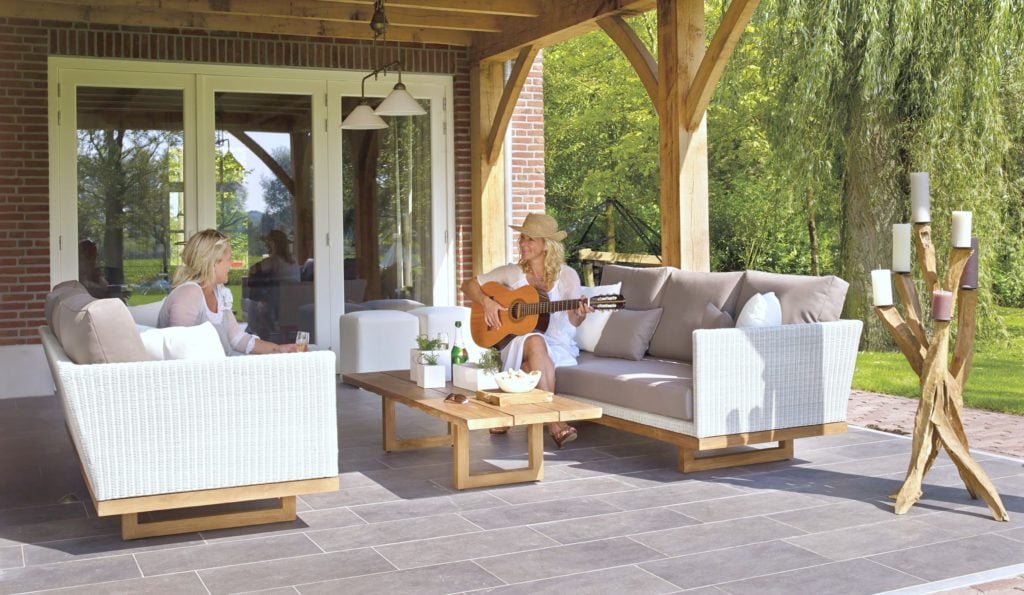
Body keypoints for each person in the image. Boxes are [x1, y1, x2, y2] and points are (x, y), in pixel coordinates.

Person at [461, 212, 593, 447]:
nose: (523, 244)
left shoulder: (568, 275)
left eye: (530, 239)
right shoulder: (512, 272)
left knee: (527, 365)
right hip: (517, 341)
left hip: (558, 345)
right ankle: (555, 423)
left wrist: (580, 314)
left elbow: (574, 321)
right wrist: (487, 302)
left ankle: (507, 415)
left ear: (546, 245)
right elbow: (468, 284)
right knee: (534, 340)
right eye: (522, 238)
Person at [158, 229, 302, 355]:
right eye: (228, 259)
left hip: (219, 370)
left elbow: (237, 338)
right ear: (213, 263)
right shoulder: (189, 294)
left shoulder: (219, 293)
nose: (231, 264)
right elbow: (179, 351)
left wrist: (278, 349)